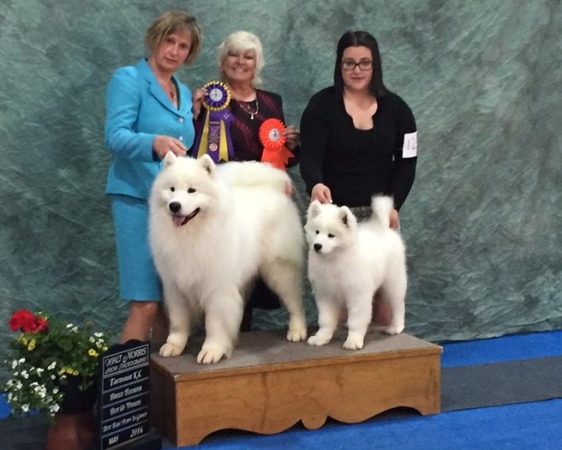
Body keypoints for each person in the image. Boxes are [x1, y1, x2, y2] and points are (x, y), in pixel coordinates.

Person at [299, 30, 418, 326]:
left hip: (380, 221)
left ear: (375, 65)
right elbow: (309, 157)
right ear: (339, 66)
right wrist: (316, 183)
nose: (357, 70)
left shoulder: (399, 110)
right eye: (349, 63)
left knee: (385, 310)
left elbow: (407, 164)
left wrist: (394, 207)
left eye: (365, 63)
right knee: (339, 312)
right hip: (336, 222)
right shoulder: (320, 106)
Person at [104, 10, 202, 344]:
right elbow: (114, 136)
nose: (174, 51)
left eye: (183, 46)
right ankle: (118, 396)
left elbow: (183, 146)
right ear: (155, 39)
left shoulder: (184, 93)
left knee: (170, 305)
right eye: (169, 41)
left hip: (173, 210)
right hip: (135, 200)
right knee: (145, 304)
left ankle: (161, 395)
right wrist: (154, 143)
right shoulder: (129, 79)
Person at [192, 30, 300, 331]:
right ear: (222, 59)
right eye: (233, 54)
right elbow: (196, 154)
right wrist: (194, 115)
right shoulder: (208, 100)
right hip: (224, 201)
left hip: (263, 206)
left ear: (257, 63)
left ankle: (242, 345)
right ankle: (219, 339)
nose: (240, 61)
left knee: (261, 271)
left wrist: (292, 146)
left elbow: (281, 155)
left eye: (248, 56)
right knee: (224, 276)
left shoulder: (271, 102)